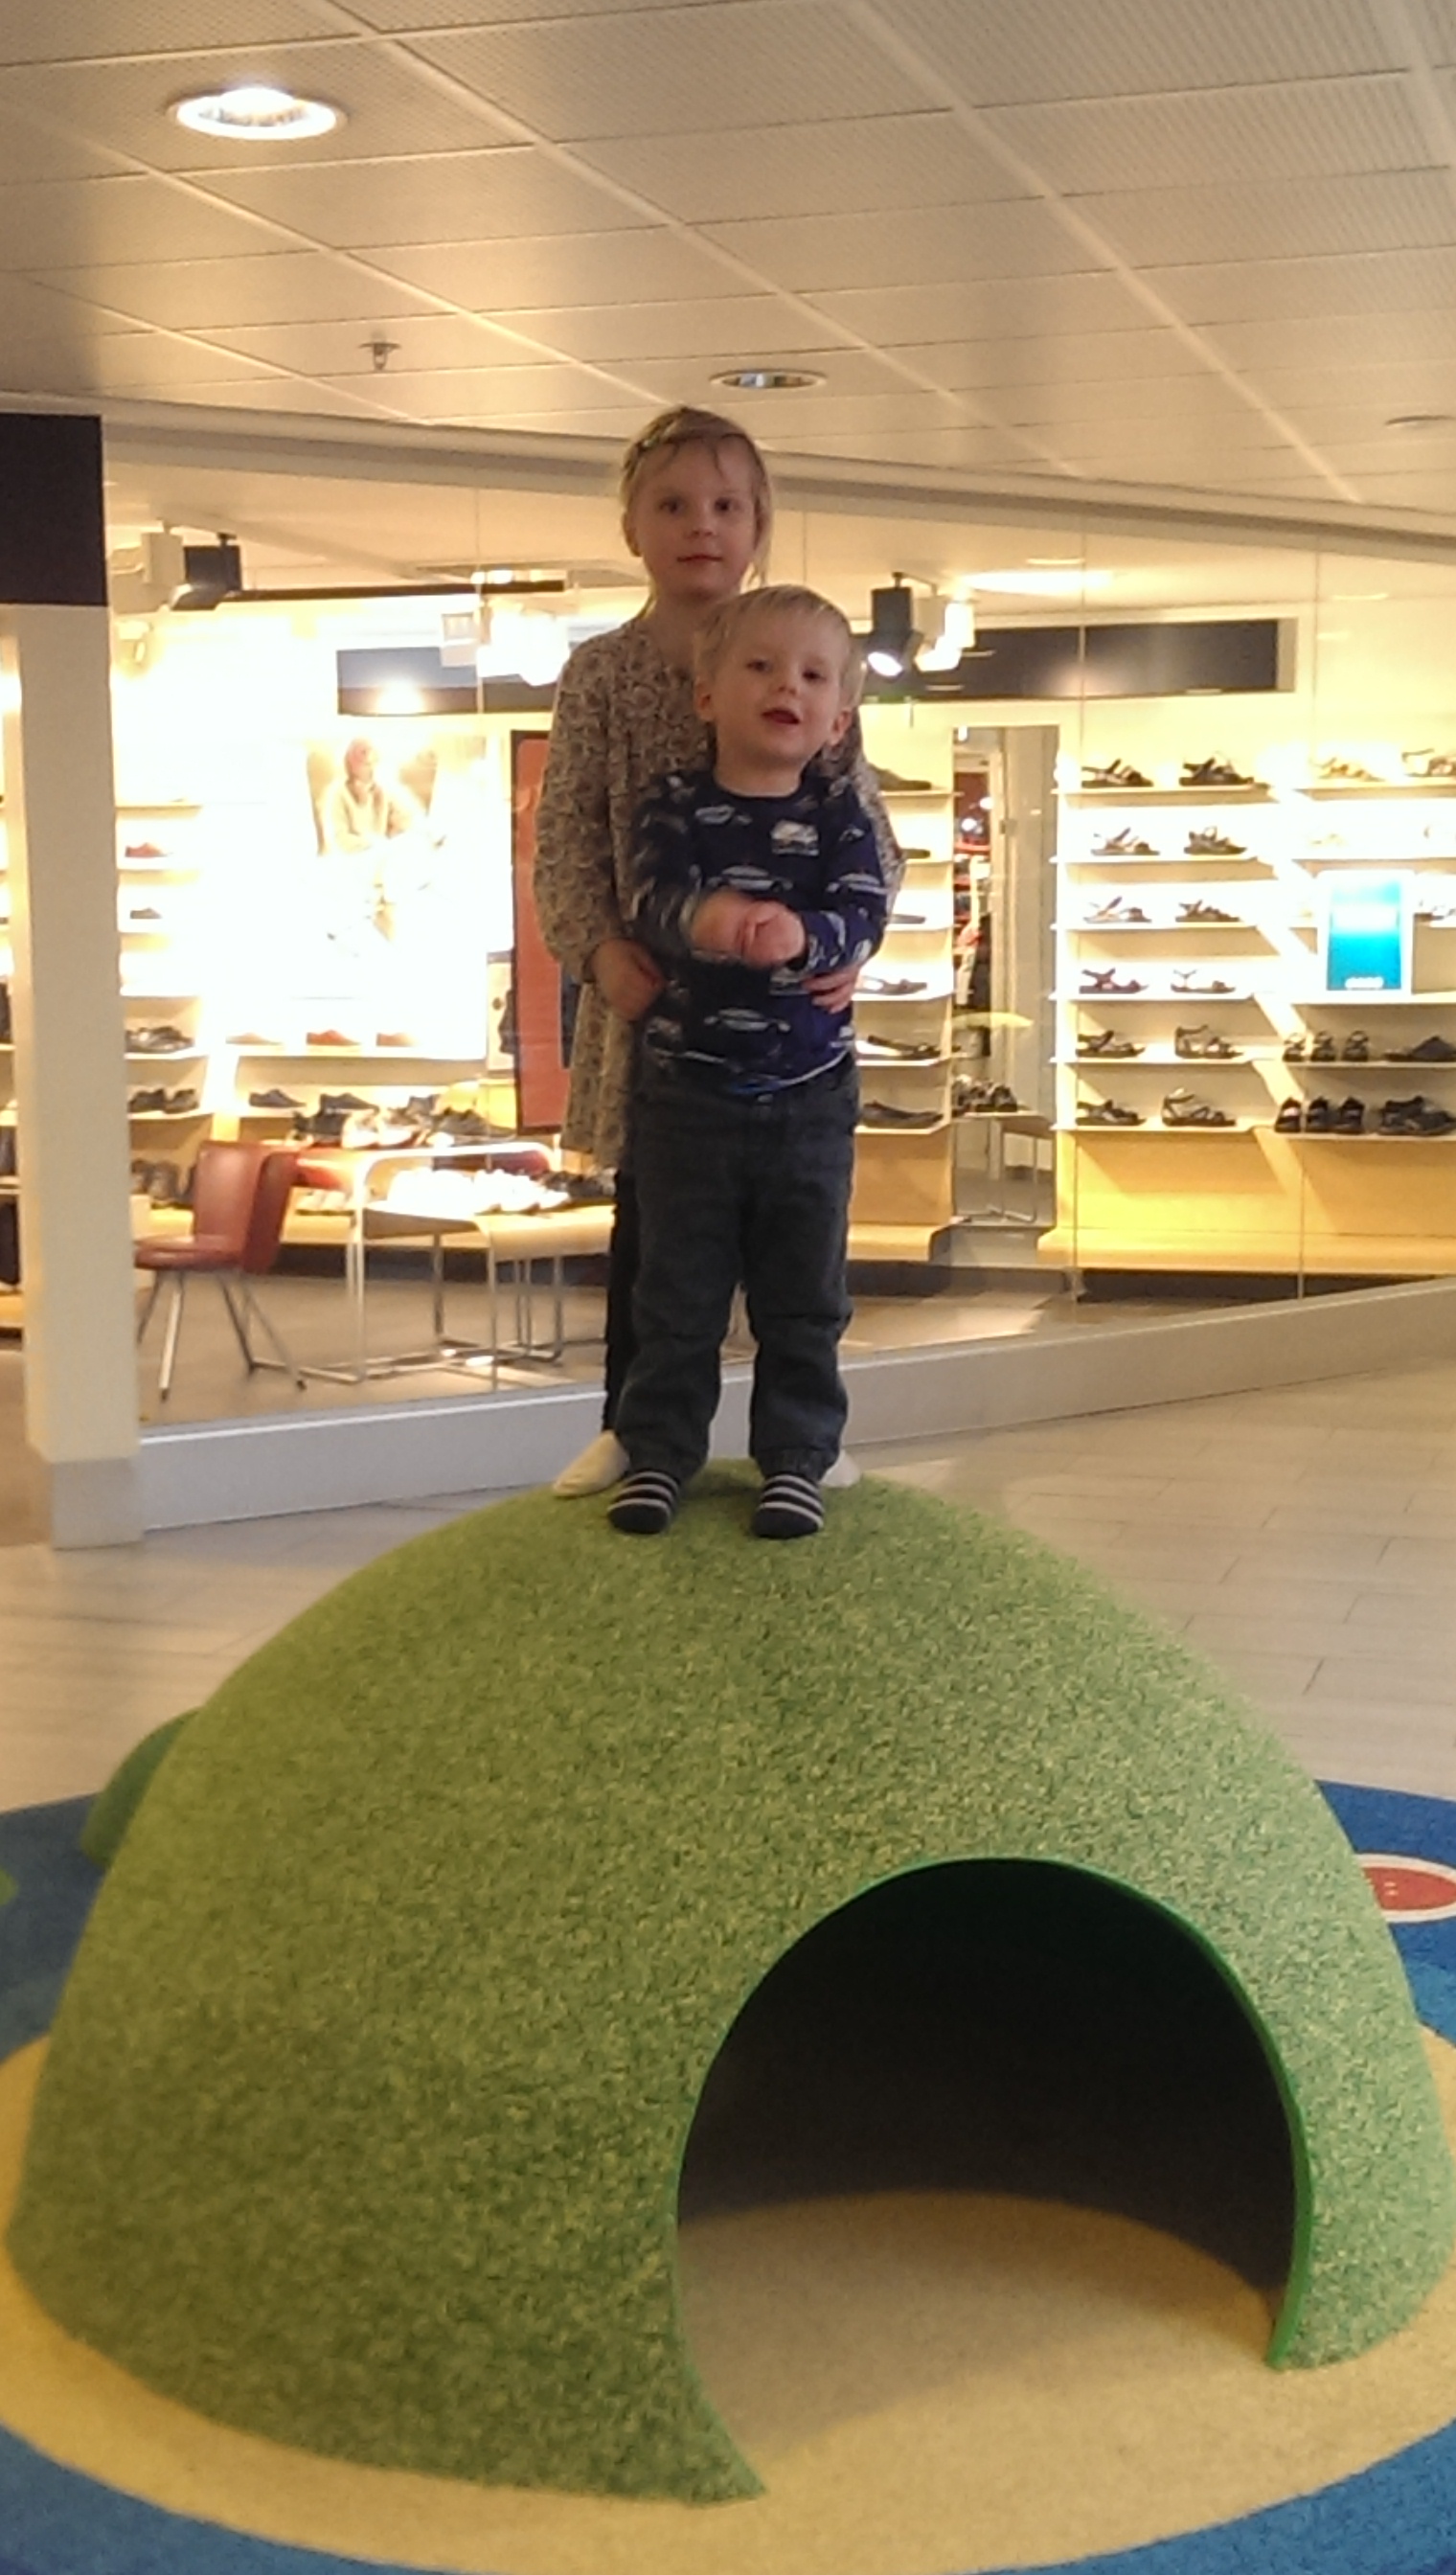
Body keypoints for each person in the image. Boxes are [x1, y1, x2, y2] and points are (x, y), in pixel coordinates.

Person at [533, 404, 899, 1497]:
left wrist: (847, 943)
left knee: (796, 1237)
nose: (702, 525)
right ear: (633, 526)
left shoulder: (801, 652)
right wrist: (599, 951)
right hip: (653, 993)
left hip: (788, 1007)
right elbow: (566, 833)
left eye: (727, 505)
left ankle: (798, 1435)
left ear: (758, 525)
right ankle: (635, 1426)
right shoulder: (601, 674)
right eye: (674, 505)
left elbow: (863, 823)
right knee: (657, 1226)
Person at [607, 585, 885, 1540]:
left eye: (811, 676)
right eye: (760, 667)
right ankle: (656, 1455)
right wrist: (713, 921)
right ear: (706, 695)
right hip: (686, 1096)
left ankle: (797, 1460)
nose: (785, 687)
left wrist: (810, 936)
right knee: (675, 1294)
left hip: (810, 1099)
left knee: (804, 1297)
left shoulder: (841, 811)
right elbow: (648, 900)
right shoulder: (675, 804)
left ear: (837, 718)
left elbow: (864, 909)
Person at [319, 738, 416, 856]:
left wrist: (395, 829)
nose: (367, 762)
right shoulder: (337, 793)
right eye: (361, 755)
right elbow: (339, 839)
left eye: (370, 756)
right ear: (349, 763)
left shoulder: (383, 790)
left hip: (381, 856)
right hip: (351, 859)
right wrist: (375, 844)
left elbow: (408, 820)